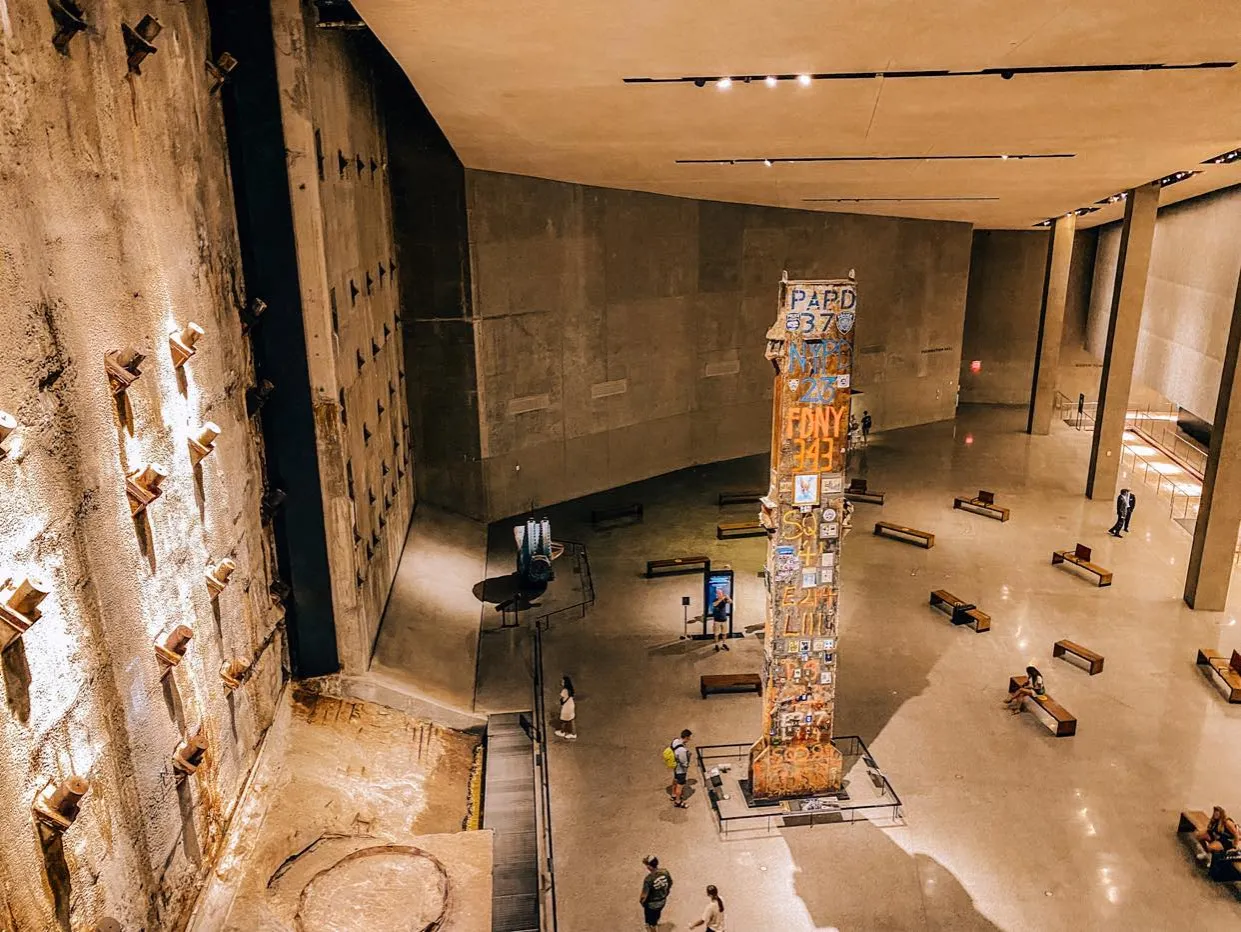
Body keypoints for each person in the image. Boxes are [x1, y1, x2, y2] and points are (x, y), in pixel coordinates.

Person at [639, 855, 673, 931]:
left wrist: (642, 902)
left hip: (651, 905)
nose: (646, 866)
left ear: (650, 867)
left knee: (650, 923)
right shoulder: (665, 872)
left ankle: (653, 928)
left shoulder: (649, 879)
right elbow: (670, 883)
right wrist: (666, 893)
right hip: (663, 901)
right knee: (657, 914)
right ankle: (655, 922)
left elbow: (643, 896)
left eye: (647, 865)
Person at [669, 729, 692, 808]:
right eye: (689, 737)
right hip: (681, 770)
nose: (689, 739)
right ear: (686, 737)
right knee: (680, 785)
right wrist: (688, 756)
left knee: (675, 779)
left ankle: (673, 795)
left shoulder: (675, 741)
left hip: (675, 766)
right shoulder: (682, 750)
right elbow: (684, 763)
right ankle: (678, 801)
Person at [554, 675, 576, 740]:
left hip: (567, 706)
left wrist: (560, 702)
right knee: (571, 719)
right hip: (571, 704)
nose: (561, 682)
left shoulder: (564, 690)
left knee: (563, 719)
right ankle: (573, 733)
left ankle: (562, 732)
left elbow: (562, 698)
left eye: (563, 681)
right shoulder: (570, 689)